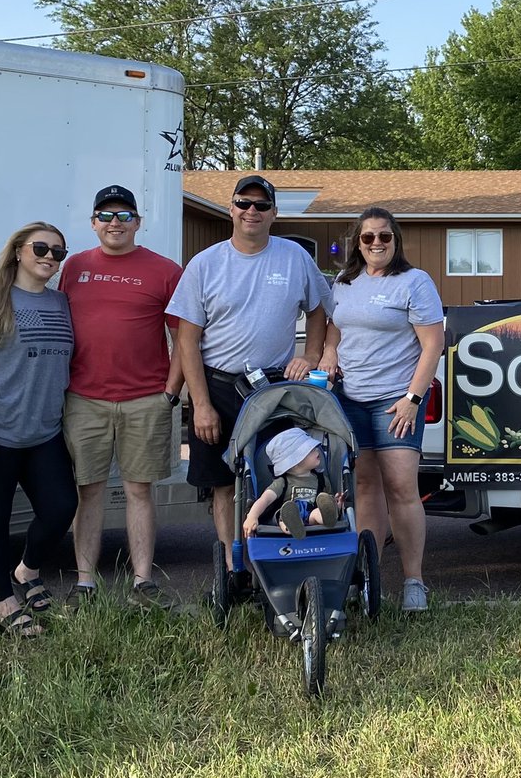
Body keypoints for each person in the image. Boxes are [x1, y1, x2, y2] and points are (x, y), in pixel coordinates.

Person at [166, 175, 331, 570]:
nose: (251, 211)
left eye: (261, 205)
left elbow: (319, 310)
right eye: (243, 203)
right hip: (218, 387)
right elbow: (187, 341)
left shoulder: (294, 257)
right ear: (231, 209)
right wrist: (200, 404)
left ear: (274, 213)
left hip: (273, 390)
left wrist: (311, 354)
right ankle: (232, 564)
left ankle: (276, 559)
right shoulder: (205, 264)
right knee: (224, 483)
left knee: (282, 473)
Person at [58, 185, 184, 609]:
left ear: (138, 223)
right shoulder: (75, 267)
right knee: (88, 490)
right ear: (94, 223)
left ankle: (142, 583)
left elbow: (183, 338)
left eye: (125, 215)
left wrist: (171, 392)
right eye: (107, 215)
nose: (116, 222)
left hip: (145, 399)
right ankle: (85, 583)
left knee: (139, 490)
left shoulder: (164, 271)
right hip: (84, 399)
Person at [0, 223, 77, 636]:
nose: (49, 257)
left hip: (42, 433)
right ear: (19, 251)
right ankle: (6, 606)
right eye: (40, 248)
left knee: (60, 509)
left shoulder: (60, 302)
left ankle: (27, 571)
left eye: (58, 252)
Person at [318, 207, 444, 613]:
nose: (376, 243)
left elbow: (433, 345)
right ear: (358, 242)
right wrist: (330, 352)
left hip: (395, 402)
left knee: (402, 488)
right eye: (368, 237)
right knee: (364, 488)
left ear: (395, 240)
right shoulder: (344, 281)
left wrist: (412, 399)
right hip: (350, 399)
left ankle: (414, 582)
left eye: (384, 236)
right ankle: (366, 577)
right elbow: (335, 326)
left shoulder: (414, 282)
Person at [241, 428, 338, 539]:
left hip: (309, 515)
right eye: (311, 450)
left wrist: (336, 504)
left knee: (317, 513)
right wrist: (252, 516)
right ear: (295, 462)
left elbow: (327, 499)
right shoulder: (282, 482)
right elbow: (265, 499)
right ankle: (293, 526)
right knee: (283, 515)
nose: (317, 450)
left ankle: (328, 517)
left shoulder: (322, 480)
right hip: (286, 513)